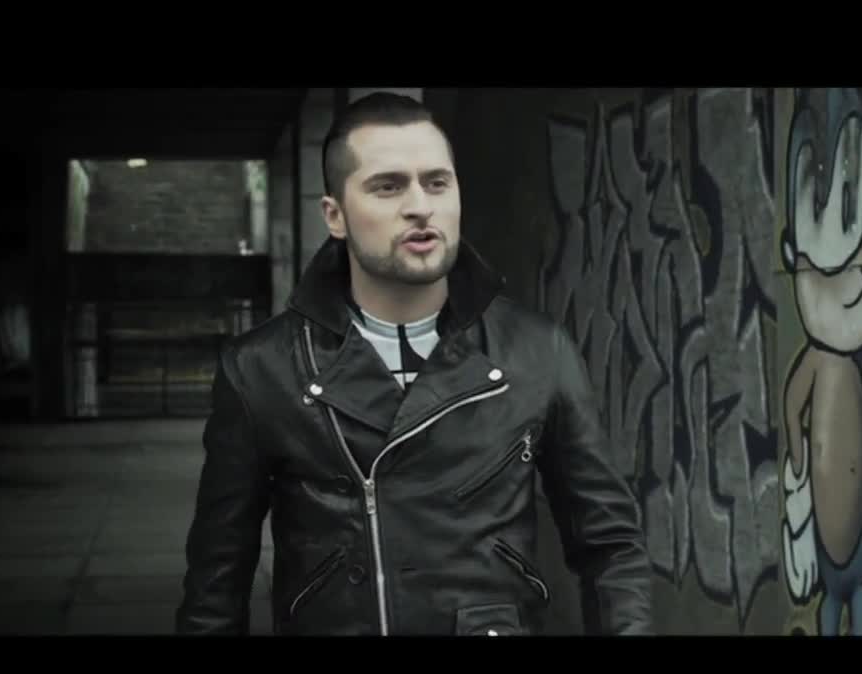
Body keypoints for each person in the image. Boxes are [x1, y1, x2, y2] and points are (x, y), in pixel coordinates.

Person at [175, 91, 653, 636]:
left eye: (437, 182)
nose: (420, 206)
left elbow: (610, 543)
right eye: (388, 186)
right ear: (335, 216)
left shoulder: (536, 351)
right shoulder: (262, 369)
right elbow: (216, 584)